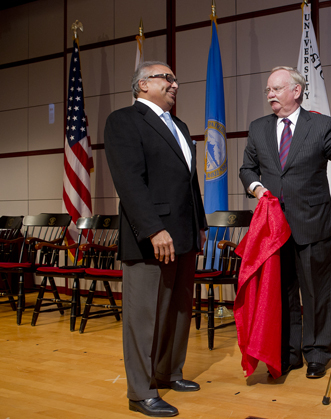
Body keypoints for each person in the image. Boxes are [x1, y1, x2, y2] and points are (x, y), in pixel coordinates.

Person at [104, 60, 207, 417]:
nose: (175, 84)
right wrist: (152, 228)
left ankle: (167, 372)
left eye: (175, 78)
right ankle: (140, 391)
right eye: (167, 78)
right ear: (142, 84)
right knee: (144, 316)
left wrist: (201, 225)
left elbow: (189, 182)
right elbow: (129, 182)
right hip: (151, 236)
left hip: (185, 233)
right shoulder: (123, 121)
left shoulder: (179, 125)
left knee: (178, 311)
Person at [239, 66, 331, 379]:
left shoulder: (321, 124)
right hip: (274, 229)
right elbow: (247, 168)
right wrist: (258, 190)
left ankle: (316, 354)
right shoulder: (258, 127)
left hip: (312, 224)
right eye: (268, 91)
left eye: (276, 89)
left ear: (296, 91)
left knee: (316, 293)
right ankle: (288, 354)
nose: (270, 95)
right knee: (283, 293)